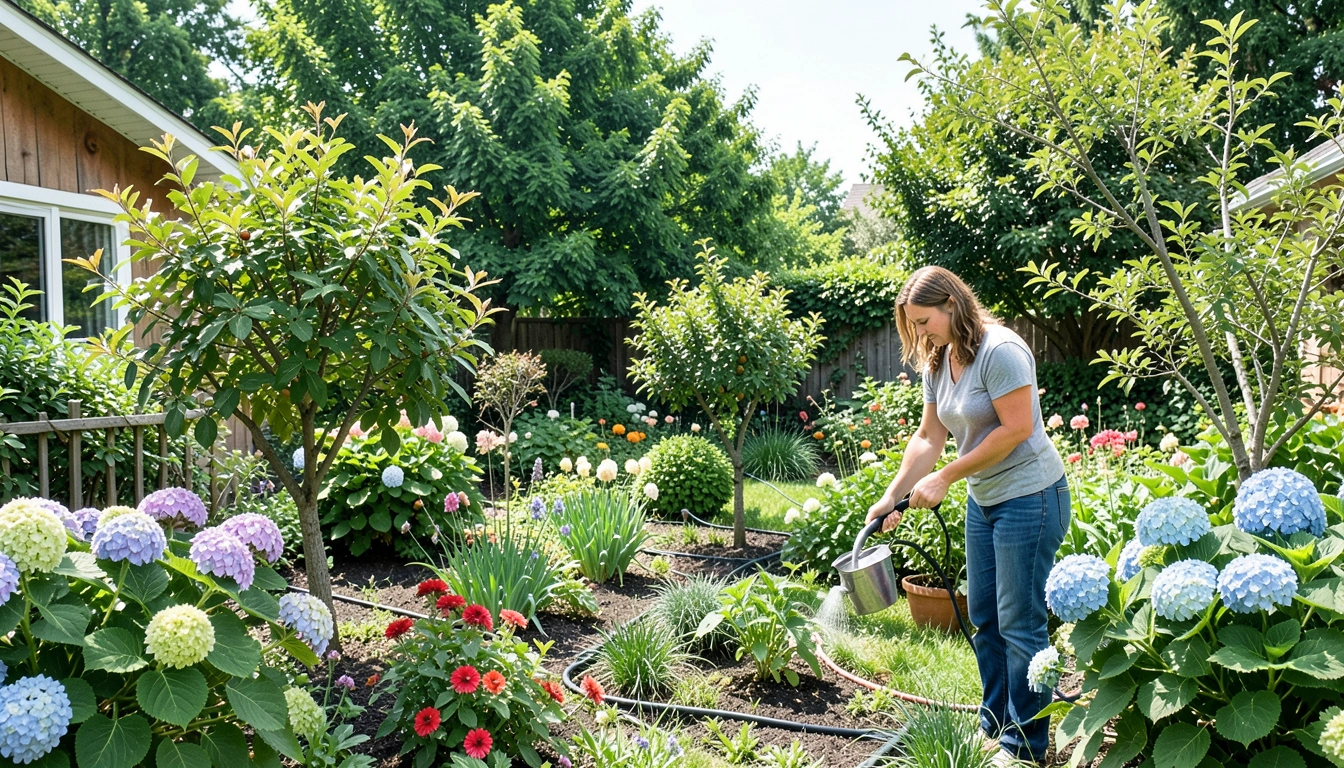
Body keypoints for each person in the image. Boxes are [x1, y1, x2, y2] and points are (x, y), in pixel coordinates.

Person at [865, 266, 1068, 766]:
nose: (918, 332)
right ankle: (996, 725)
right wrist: (893, 494)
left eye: (923, 320)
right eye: (911, 324)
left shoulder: (1001, 351)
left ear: (952, 305)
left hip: (1031, 495)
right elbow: (928, 437)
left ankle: (1026, 747)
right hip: (986, 499)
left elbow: (1016, 429)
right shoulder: (940, 359)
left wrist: (946, 478)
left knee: (1020, 622)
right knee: (984, 616)